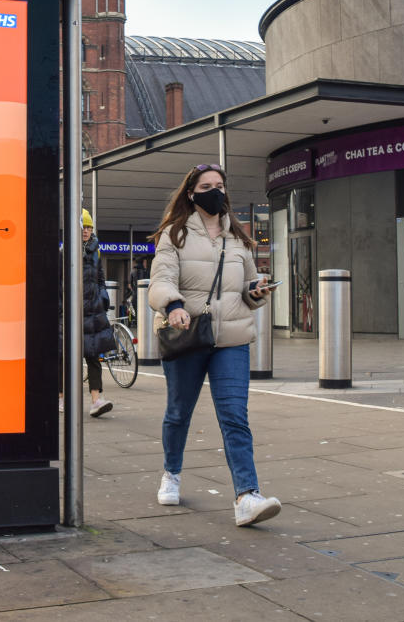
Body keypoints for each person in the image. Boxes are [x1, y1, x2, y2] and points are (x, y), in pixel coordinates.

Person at [147, 163, 280, 527]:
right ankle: (171, 473)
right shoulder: (174, 234)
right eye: (206, 186)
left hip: (231, 340)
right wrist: (173, 305)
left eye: (219, 185)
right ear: (191, 194)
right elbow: (160, 279)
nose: (214, 191)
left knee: (235, 417)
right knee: (178, 413)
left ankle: (246, 496)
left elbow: (249, 285)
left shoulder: (236, 237)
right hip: (188, 335)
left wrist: (257, 292)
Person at [59, 209, 116, 418]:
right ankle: (62, 397)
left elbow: (100, 277)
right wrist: (60, 307)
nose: (87, 230)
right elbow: (58, 281)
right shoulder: (65, 251)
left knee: (93, 356)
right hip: (70, 312)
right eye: (83, 226)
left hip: (92, 311)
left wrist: (103, 297)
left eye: (89, 227)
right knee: (64, 358)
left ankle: (96, 400)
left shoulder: (95, 251)